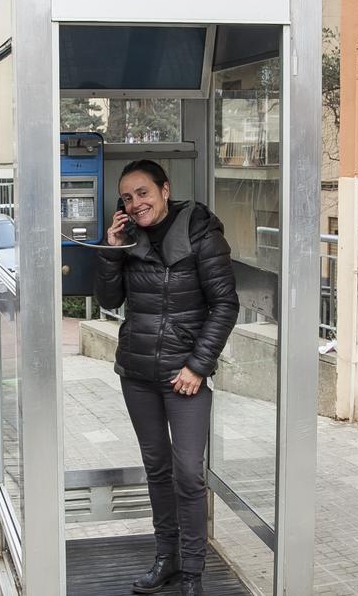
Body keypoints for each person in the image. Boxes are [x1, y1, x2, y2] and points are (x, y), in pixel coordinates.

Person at [95, 160, 239, 596]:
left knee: (189, 474)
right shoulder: (128, 237)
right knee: (157, 469)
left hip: (184, 376)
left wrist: (198, 366)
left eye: (142, 193)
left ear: (164, 189)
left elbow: (225, 304)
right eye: (126, 198)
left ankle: (193, 572)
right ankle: (167, 559)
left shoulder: (200, 234)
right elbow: (109, 298)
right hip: (137, 372)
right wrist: (111, 248)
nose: (135, 203)